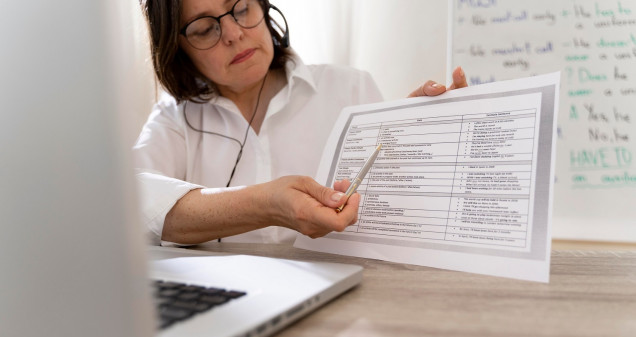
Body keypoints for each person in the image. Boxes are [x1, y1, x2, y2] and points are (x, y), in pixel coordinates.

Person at [135, 0, 467, 245]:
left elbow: (397, 211)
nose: (234, 34)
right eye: (205, 29)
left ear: (264, 9)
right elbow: (130, 203)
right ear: (178, 49)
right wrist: (265, 204)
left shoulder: (351, 88)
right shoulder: (174, 119)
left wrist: (426, 142)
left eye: (241, 9)